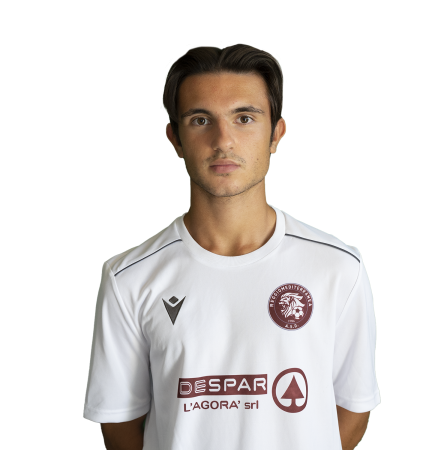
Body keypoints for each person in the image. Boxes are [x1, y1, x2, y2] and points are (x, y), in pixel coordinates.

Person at [83, 42, 380, 450]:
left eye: (244, 118)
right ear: (175, 138)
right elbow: (119, 424)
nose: (223, 140)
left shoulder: (338, 267)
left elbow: (351, 409)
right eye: (200, 119)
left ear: (276, 133)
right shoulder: (128, 278)